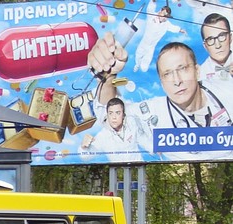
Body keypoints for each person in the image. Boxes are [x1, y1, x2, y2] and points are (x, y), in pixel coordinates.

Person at [88, 38, 233, 160]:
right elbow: (109, 112)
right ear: (161, 83)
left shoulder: (227, 91)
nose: (177, 81)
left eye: (182, 69)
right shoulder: (152, 114)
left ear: (197, 71)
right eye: (167, 74)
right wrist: (108, 77)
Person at [80, 98, 151, 162]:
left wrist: (154, 148)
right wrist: (83, 147)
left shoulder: (132, 124)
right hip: (118, 172)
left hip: (138, 169)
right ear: (107, 115)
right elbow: (85, 156)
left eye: (118, 113)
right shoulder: (103, 136)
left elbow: (143, 140)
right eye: (110, 113)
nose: (114, 117)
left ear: (123, 115)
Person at [133, 2, 184, 73]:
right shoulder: (152, 16)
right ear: (160, 12)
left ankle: (142, 66)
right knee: (138, 54)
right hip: (144, 42)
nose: (166, 18)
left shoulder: (166, 24)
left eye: (167, 17)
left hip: (152, 46)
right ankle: (137, 64)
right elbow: (150, 9)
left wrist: (180, 30)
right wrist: (153, 2)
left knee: (145, 65)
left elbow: (173, 28)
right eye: (164, 16)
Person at [200, 13, 233, 86]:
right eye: (210, 39)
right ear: (205, 46)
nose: (218, 45)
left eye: (221, 36)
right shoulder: (199, 75)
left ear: (230, 38)